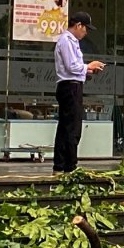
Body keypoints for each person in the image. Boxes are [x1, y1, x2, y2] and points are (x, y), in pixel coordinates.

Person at [51, 12, 104, 173]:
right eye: (85, 28)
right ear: (78, 25)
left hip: (73, 84)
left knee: (67, 127)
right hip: (69, 86)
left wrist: (88, 71)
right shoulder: (66, 41)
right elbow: (71, 66)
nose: (85, 32)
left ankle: (62, 165)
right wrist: (89, 66)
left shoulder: (71, 41)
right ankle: (69, 165)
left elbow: (74, 68)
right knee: (72, 128)